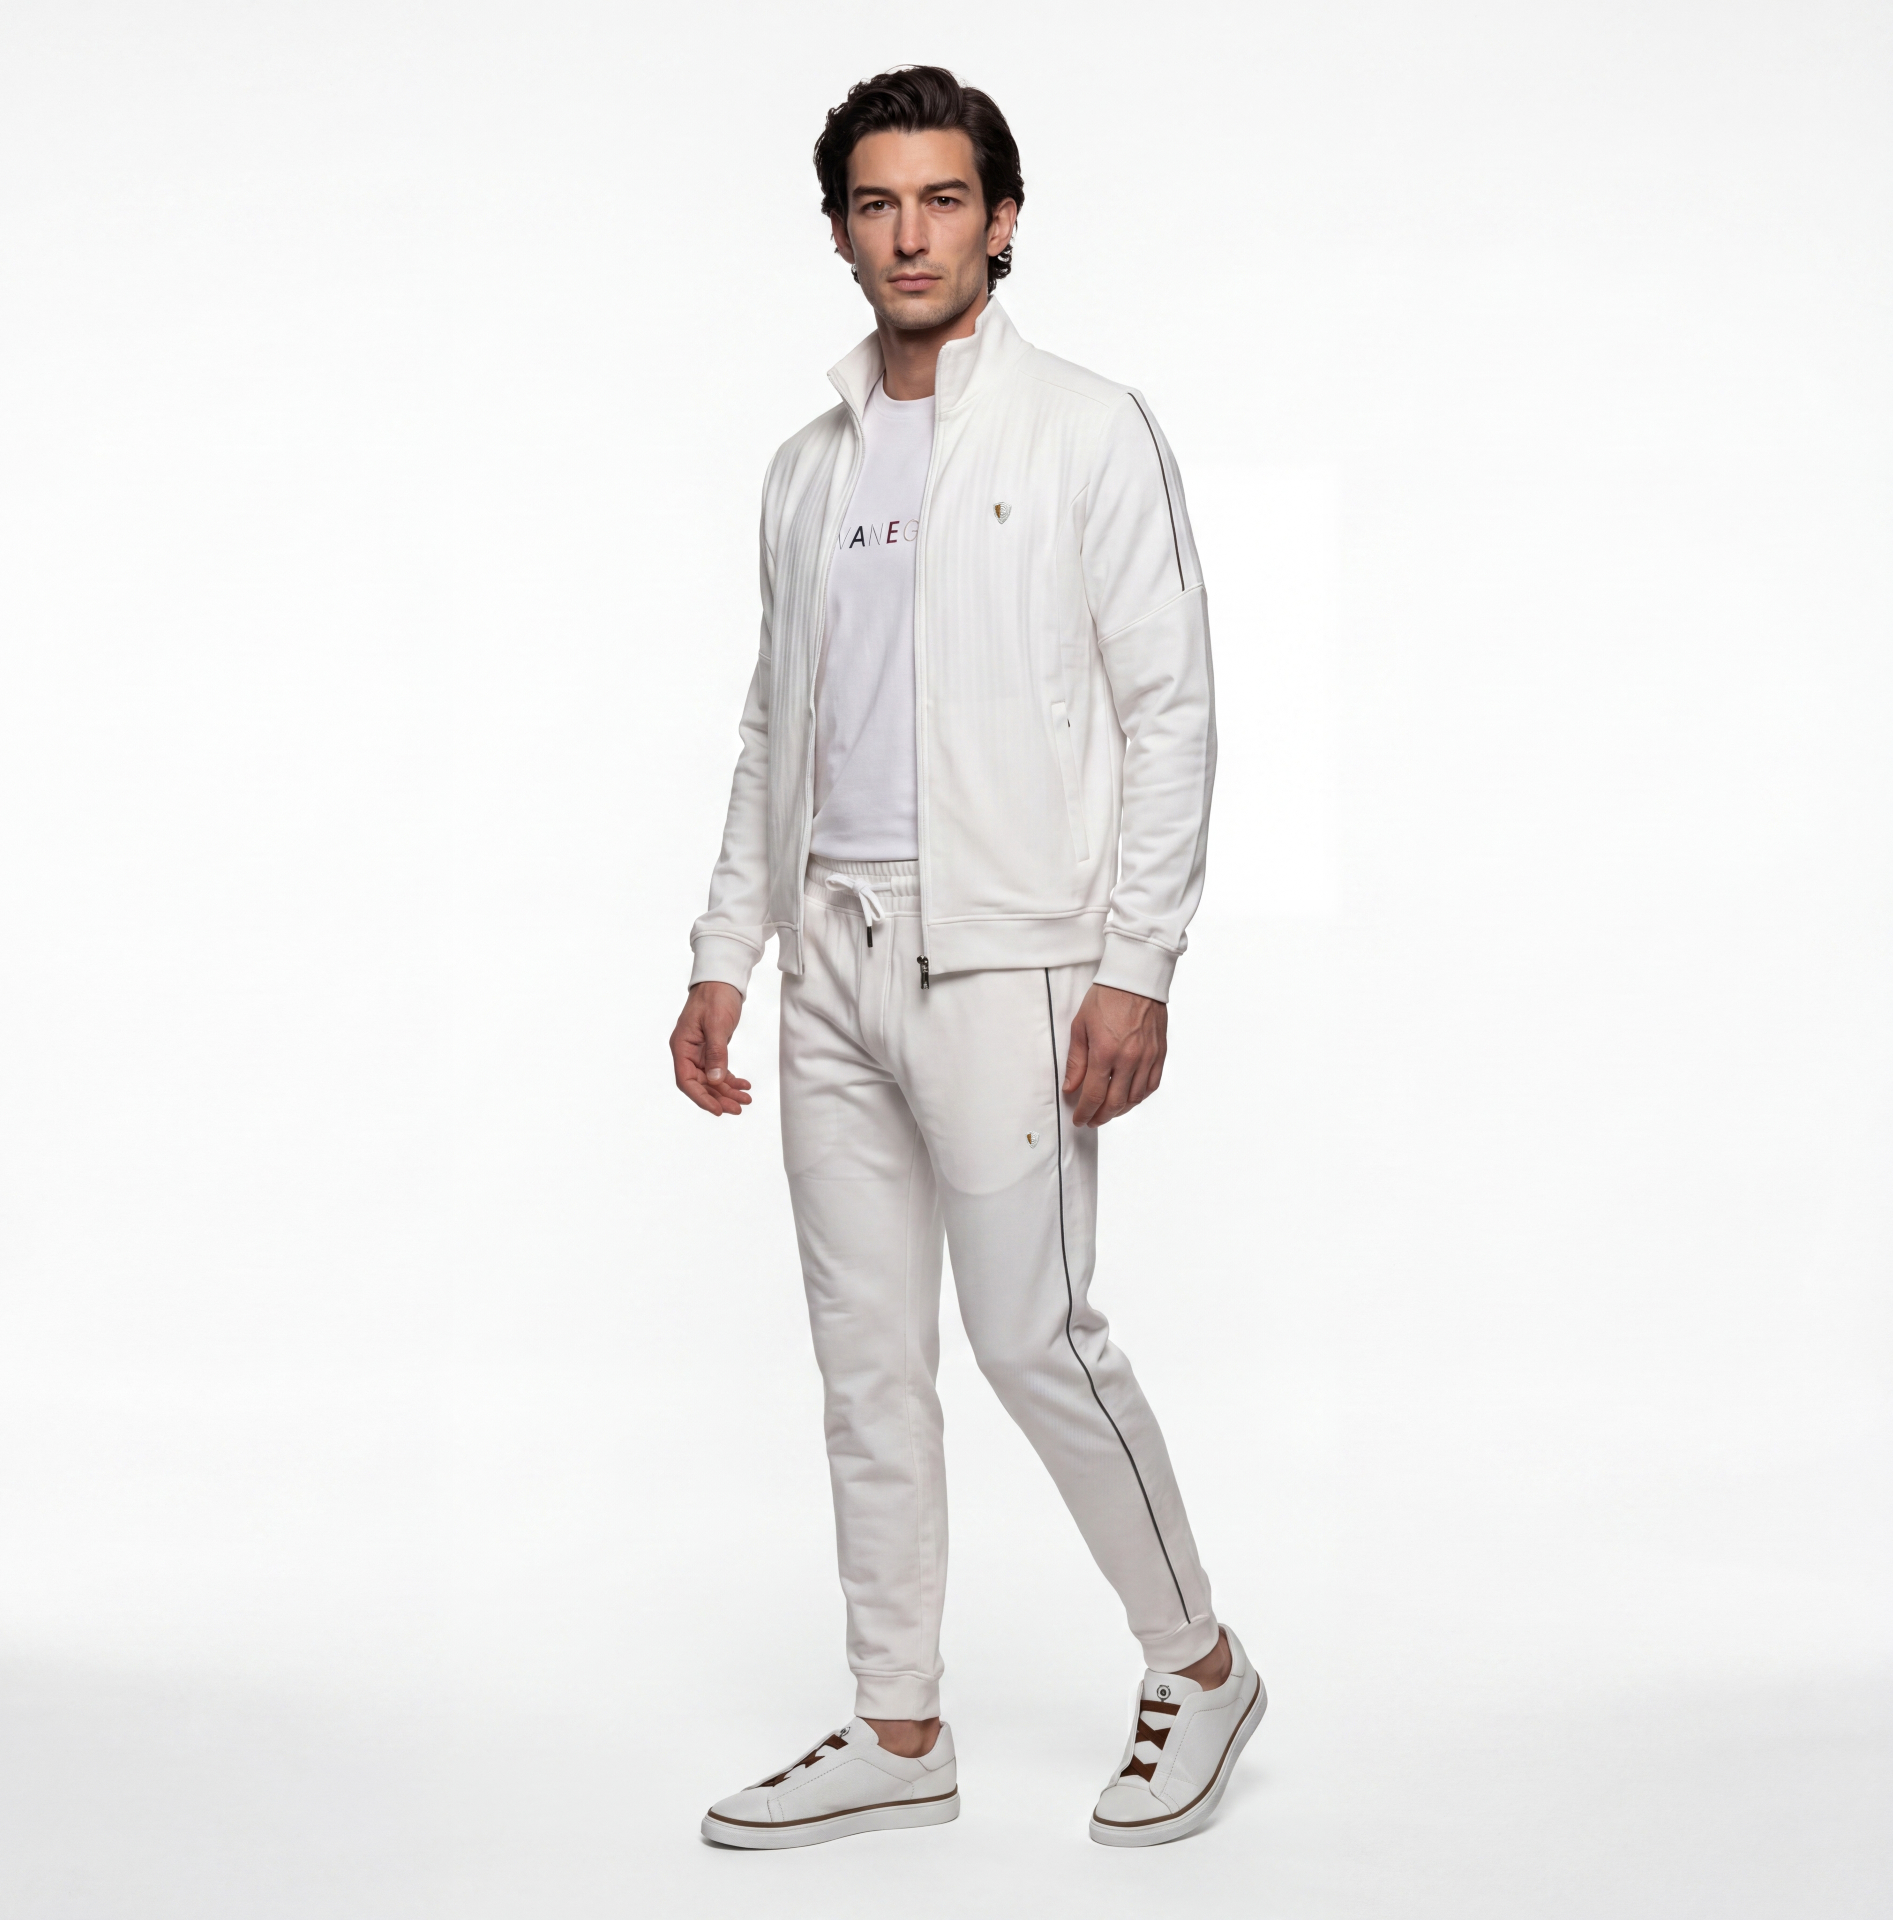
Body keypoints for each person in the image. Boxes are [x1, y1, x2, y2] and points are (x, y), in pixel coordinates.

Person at [669, 64, 1261, 1850]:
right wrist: (725, 948)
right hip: (830, 956)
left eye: (943, 200)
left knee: (1033, 1339)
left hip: (1009, 960)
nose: (910, 235)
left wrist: (1137, 962)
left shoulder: (1088, 429)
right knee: (866, 1361)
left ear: (1002, 221)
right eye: (877, 203)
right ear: (840, 230)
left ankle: (1199, 1662)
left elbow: (1173, 708)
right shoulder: (807, 470)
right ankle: (897, 1723)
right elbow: (775, 723)